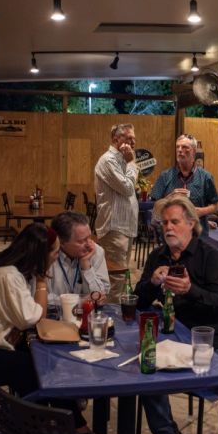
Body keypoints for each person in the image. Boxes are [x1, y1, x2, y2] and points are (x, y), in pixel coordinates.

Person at [135, 195, 218, 434]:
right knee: (146, 371)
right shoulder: (158, 256)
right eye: (164, 223)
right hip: (179, 333)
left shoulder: (211, 255)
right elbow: (139, 302)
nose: (168, 228)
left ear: (191, 224)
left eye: (174, 222)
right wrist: (151, 283)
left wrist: (190, 290)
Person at [0, 224, 92, 434]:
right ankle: (42, 433)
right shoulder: (8, 276)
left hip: (6, 341)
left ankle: (61, 427)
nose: (56, 256)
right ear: (40, 255)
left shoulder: (12, 270)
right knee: (43, 370)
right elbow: (35, 317)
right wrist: (41, 281)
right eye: (54, 252)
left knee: (48, 359)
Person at [93, 122, 139, 301]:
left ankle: (118, 313)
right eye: (128, 138)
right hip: (114, 228)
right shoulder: (108, 160)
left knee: (121, 277)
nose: (133, 142)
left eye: (134, 138)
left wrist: (129, 163)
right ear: (115, 139)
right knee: (114, 280)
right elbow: (127, 188)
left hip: (125, 228)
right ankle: (110, 314)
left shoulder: (122, 160)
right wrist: (132, 163)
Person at [149, 134, 218, 237]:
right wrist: (169, 198)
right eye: (177, 147)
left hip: (197, 236)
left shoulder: (205, 177)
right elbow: (154, 206)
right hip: (172, 235)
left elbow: (216, 205)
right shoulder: (165, 176)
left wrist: (200, 211)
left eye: (184, 147)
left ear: (194, 151)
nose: (179, 150)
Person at [45, 211, 110, 303]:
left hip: (88, 311)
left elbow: (99, 296)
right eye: (81, 241)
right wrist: (78, 301)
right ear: (61, 242)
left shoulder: (96, 251)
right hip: (55, 312)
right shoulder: (48, 255)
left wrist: (86, 266)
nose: (88, 244)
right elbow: (42, 298)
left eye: (89, 237)